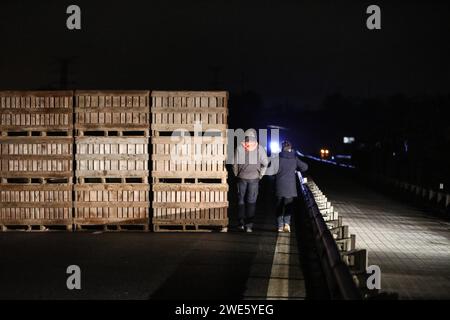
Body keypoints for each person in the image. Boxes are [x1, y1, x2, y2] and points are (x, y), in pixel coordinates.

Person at [233, 129, 269, 232]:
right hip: (254, 178)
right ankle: (249, 226)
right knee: (251, 202)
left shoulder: (240, 148)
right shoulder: (259, 148)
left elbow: (234, 164)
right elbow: (265, 163)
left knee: (240, 201)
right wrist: (261, 175)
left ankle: (240, 224)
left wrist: (237, 174)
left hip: (242, 178)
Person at [275, 140, 308, 232]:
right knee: (288, 206)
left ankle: (280, 226)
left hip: (279, 186)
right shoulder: (294, 158)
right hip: (290, 187)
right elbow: (305, 167)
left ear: (282, 148)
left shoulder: (278, 157)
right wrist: (295, 168)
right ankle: (287, 224)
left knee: (279, 206)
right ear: (290, 148)